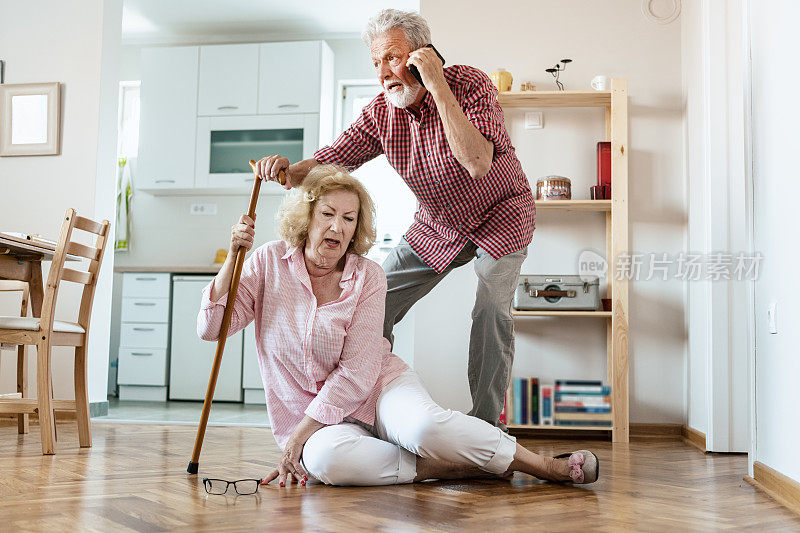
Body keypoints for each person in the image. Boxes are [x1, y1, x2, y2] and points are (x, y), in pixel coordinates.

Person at [197, 165, 597, 487]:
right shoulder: (268, 263)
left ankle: (544, 466)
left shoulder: (368, 276)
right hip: (309, 416)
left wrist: (295, 442)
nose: (338, 227)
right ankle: (450, 468)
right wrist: (233, 257)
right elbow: (212, 327)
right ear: (307, 216)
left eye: (349, 218)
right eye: (328, 215)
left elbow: (357, 372)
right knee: (326, 461)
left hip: (377, 386)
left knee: (423, 427)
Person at [253, 8, 534, 429]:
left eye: (392, 57)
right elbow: (334, 159)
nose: (384, 72)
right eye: (376, 63)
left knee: (491, 310)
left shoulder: (469, 84)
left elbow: (477, 161)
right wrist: (286, 171)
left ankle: (486, 429)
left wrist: (436, 82)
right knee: (372, 301)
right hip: (439, 222)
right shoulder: (381, 113)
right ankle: (365, 412)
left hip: (502, 215)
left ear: (423, 52)